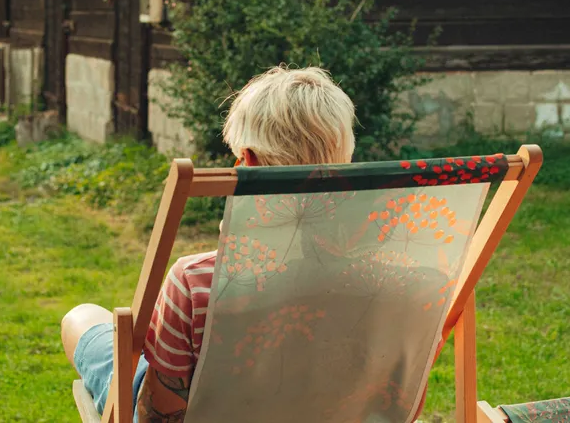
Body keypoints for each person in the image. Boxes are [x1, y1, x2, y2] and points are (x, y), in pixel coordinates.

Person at [60, 66, 357, 422]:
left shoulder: (197, 282)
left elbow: (158, 416)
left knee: (81, 318)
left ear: (246, 162)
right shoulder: (394, 277)